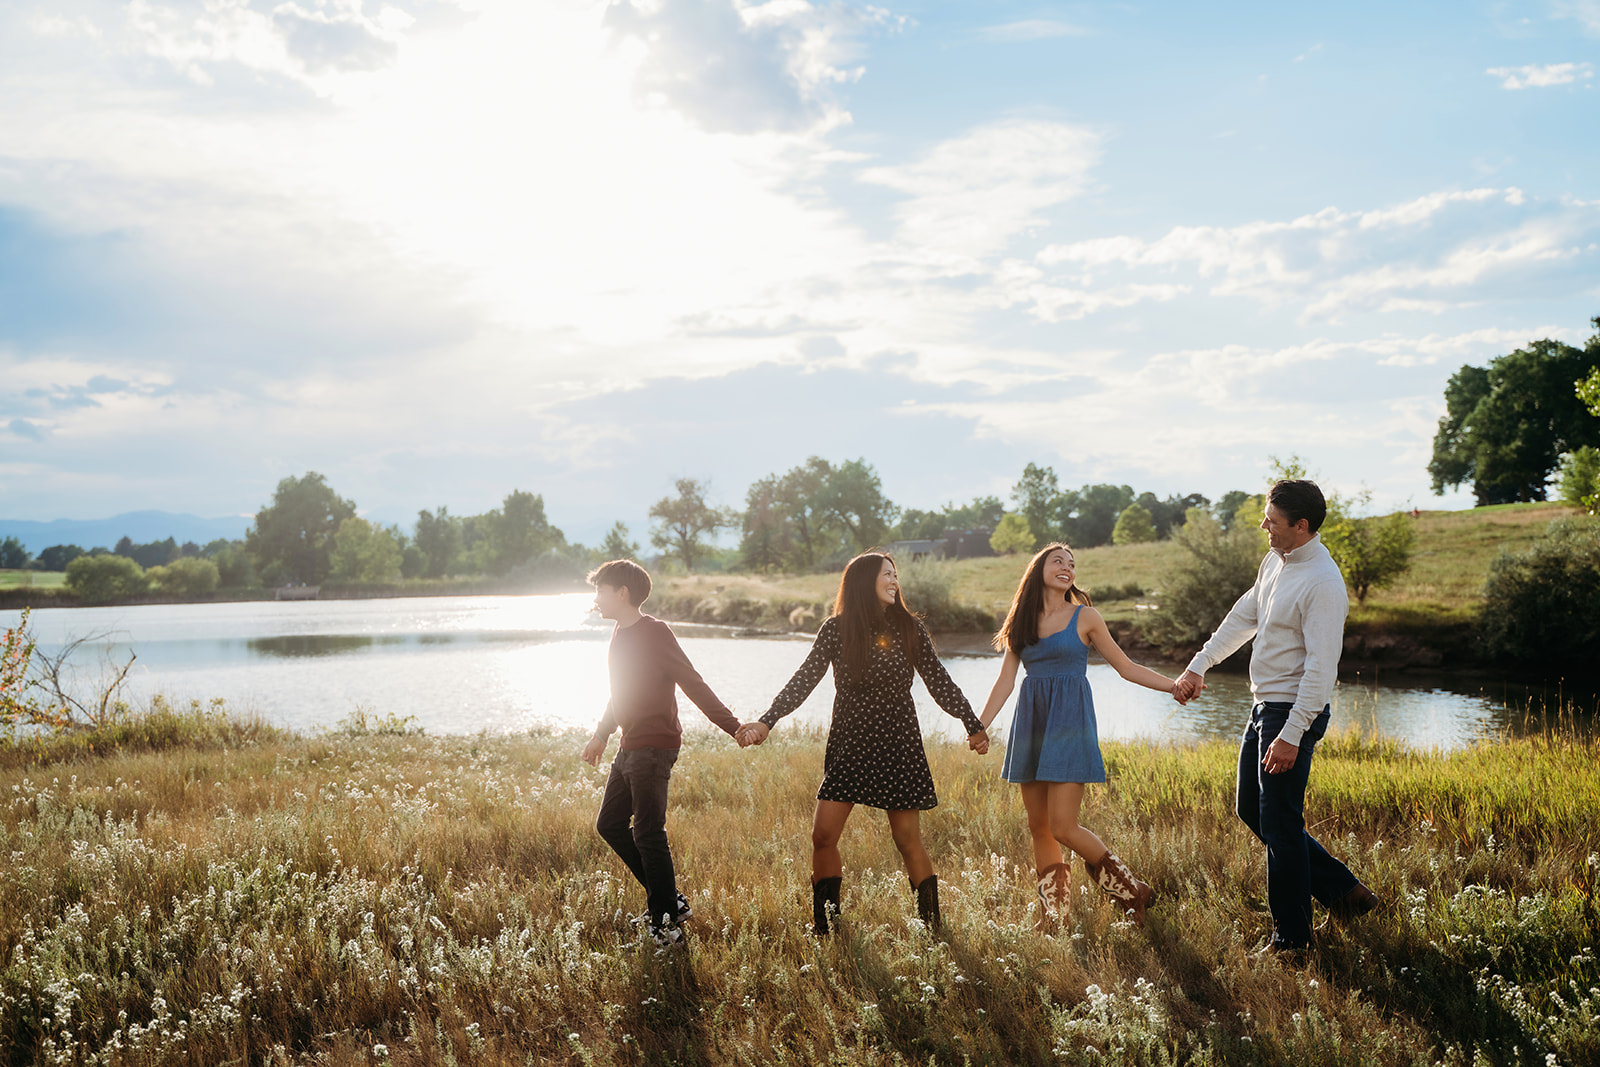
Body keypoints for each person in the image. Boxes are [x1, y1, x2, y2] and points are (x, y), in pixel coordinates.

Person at [1173, 479, 1380, 957]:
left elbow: (1321, 670)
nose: (1263, 524)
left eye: (1272, 518)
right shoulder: (1276, 561)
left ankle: (1293, 940)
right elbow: (1244, 616)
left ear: (1300, 526)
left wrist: (1291, 735)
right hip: (1265, 704)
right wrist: (1199, 664)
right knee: (1253, 810)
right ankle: (1346, 894)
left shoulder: (1323, 584)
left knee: (1281, 825)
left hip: (1292, 712)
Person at [736, 552, 989, 934]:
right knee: (822, 835)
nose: (894, 581)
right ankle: (827, 928)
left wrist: (972, 723)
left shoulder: (909, 629)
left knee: (907, 840)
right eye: (887, 574)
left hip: (897, 743)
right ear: (863, 581)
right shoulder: (836, 630)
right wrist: (768, 720)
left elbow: (939, 680)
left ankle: (933, 929)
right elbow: (804, 679)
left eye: (896, 575)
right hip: (850, 745)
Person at [977, 543, 1186, 928]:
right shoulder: (1020, 622)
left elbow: (1125, 666)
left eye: (1072, 564)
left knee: (1063, 826)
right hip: (1032, 727)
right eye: (1058, 561)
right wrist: (981, 724)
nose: (1067, 568)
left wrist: (1172, 686)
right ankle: (1053, 916)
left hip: (1070, 726)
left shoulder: (1086, 617)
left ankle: (1131, 892)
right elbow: (1005, 681)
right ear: (1037, 568)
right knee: (1038, 826)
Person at [581, 559, 750, 947]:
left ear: (621, 594)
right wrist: (601, 735)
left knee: (648, 834)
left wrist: (732, 726)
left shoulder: (655, 633)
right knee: (609, 824)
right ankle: (669, 900)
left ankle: (665, 927)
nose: (596, 599)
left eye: (600, 591)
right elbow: (618, 692)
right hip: (630, 747)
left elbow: (692, 682)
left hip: (654, 748)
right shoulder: (620, 634)